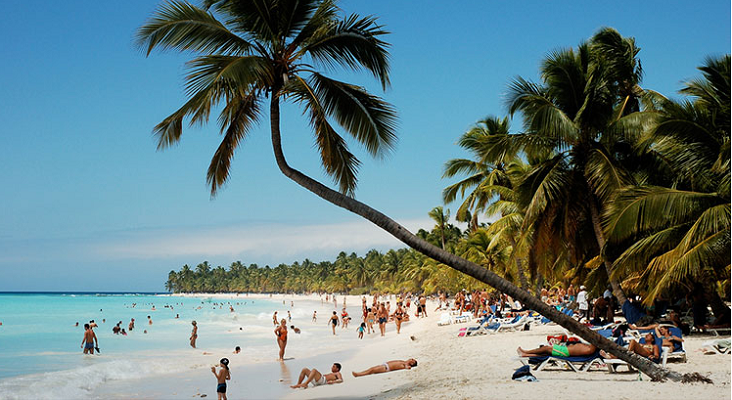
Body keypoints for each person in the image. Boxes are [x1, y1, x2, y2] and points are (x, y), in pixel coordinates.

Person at [516, 342, 597, 358]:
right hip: (564, 350)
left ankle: (526, 351)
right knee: (545, 352)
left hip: (565, 352)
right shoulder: (589, 347)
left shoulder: (589, 350)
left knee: (546, 348)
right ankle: (526, 354)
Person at [352, 359, 417, 377]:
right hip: (384, 365)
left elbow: (408, 368)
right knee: (371, 369)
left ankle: (358, 375)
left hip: (386, 368)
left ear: (411, 363)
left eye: (412, 360)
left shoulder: (405, 364)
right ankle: (359, 373)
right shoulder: (404, 361)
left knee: (372, 370)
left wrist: (409, 366)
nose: (411, 359)